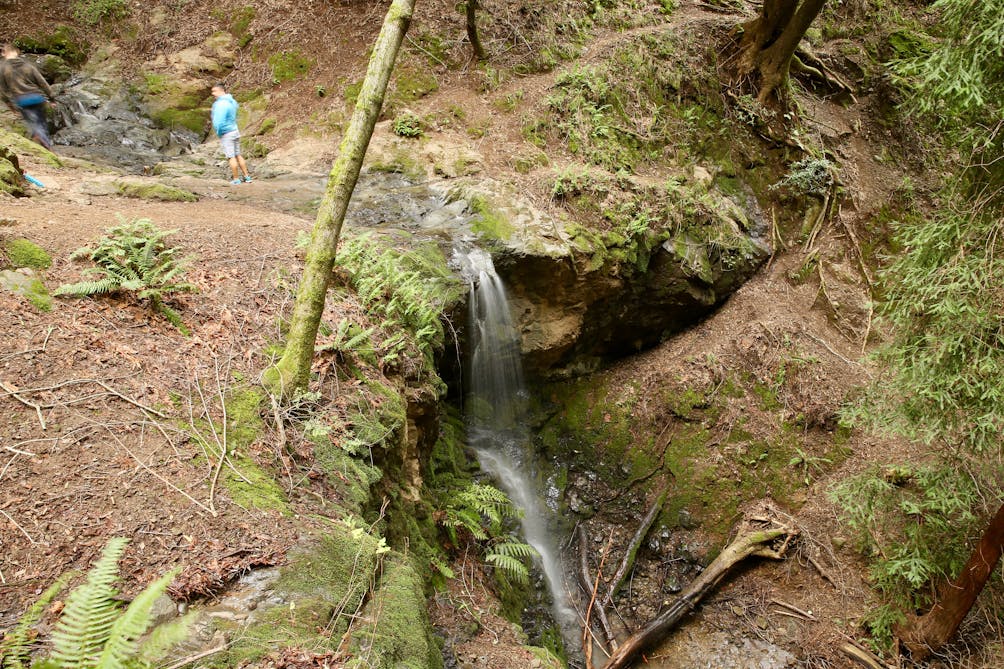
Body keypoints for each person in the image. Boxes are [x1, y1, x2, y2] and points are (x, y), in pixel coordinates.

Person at [0, 43, 55, 150]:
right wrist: (52, 98)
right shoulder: (28, 65)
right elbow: (42, 83)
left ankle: (42, 140)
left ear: (4, 54)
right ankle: (44, 142)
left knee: (33, 123)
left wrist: (10, 106)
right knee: (41, 122)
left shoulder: (3, 69)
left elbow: (3, 91)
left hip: (22, 100)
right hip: (37, 97)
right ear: (16, 52)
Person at [210, 82, 251, 185]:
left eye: (214, 91)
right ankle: (247, 177)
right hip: (234, 130)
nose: (213, 94)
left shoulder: (221, 104)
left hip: (226, 133)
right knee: (238, 154)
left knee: (231, 156)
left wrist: (219, 132)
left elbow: (219, 121)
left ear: (221, 91)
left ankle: (236, 179)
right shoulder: (232, 101)